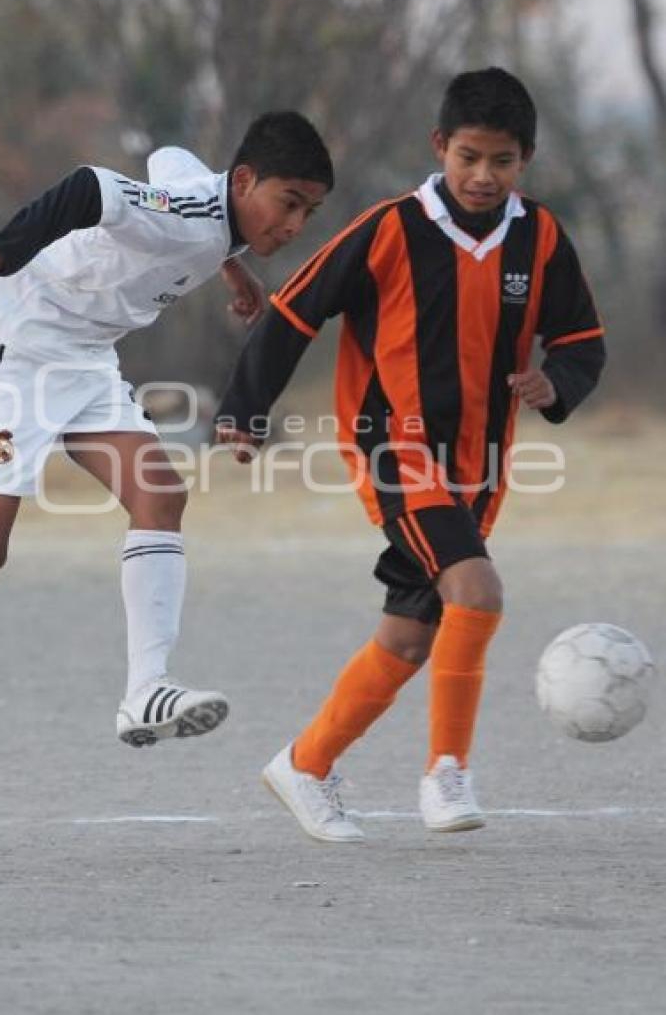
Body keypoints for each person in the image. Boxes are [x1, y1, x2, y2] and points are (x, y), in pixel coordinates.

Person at [0, 111, 334, 816]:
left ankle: (145, 690)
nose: (296, 224)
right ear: (244, 181)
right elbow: (90, 187)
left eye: (309, 210)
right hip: (14, 351)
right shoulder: (189, 211)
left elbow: (170, 155)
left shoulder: (204, 197)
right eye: (288, 203)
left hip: (86, 361)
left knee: (160, 495)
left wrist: (233, 268)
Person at [215, 68, 606, 841]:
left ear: (524, 158)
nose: (483, 175)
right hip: (394, 452)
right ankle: (446, 773)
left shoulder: (541, 237)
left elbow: (583, 341)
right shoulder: (391, 228)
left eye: (500, 160)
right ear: (440, 147)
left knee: (410, 633)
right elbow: (295, 312)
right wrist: (245, 412)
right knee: (478, 592)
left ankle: (307, 763)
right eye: (468, 157)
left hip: (478, 465)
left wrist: (551, 380)